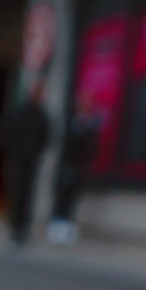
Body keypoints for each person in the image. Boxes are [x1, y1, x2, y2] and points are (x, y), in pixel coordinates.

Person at [3, 80, 50, 245]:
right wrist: (15, 151)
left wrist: (36, 152)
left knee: (28, 194)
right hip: (18, 159)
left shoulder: (41, 114)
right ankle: (14, 226)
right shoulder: (19, 112)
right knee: (17, 192)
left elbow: (46, 137)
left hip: (32, 159)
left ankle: (23, 227)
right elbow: (8, 133)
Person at [48, 97, 99, 244]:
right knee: (62, 196)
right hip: (68, 166)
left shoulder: (90, 126)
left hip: (80, 168)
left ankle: (66, 226)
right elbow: (65, 146)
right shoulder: (72, 124)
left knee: (72, 198)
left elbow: (92, 148)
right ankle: (56, 225)